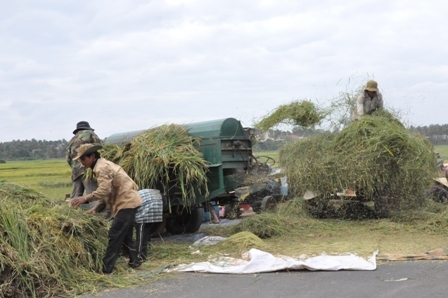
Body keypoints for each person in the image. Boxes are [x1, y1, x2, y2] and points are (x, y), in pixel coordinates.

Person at [70, 143, 142, 274]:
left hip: (127, 203)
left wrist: (85, 198)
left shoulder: (101, 168)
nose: (82, 163)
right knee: (125, 235)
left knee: (114, 234)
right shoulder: (102, 165)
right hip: (127, 202)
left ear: (92, 156)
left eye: (83, 159)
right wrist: (96, 209)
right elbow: (108, 192)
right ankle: (135, 261)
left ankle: (107, 268)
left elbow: (104, 190)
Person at [66, 121, 102, 207]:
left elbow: (68, 158)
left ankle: (70, 215)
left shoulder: (72, 140)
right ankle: (98, 217)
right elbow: (100, 148)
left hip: (76, 172)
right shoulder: (90, 133)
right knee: (93, 195)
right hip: (87, 170)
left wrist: (75, 167)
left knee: (75, 197)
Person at [135, 189, 163, 261]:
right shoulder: (137, 193)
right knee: (146, 232)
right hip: (158, 203)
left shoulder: (130, 197)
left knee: (141, 234)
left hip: (149, 207)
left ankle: (140, 256)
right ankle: (144, 253)